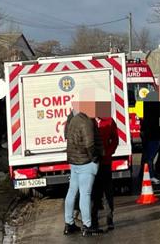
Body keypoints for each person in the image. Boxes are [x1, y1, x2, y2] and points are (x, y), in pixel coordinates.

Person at [64, 98, 103, 237]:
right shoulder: (86, 122)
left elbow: (67, 136)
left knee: (72, 192)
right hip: (85, 162)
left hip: (74, 161)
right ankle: (87, 226)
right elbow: (90, 144)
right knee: (85, 194)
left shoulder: (73, 119)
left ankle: (68, 224)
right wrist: (95, 158)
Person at [92, 105, 119, 232]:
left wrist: (109, 152)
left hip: (105, 162)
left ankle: (109, 219)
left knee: (108, 192)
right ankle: (94, 221)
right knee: (94, 193)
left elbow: (115, 139)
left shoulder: (109, 120)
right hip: (92, 163)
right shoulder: (89, 122)